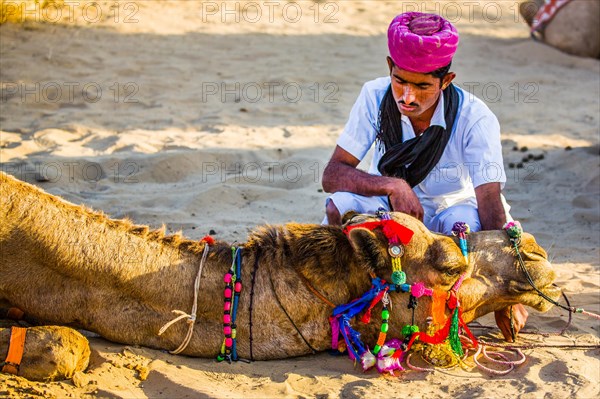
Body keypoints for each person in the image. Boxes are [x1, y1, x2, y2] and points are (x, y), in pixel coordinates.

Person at [321, 12, 527, 342]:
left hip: (451, 210)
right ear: (390, 66)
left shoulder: (476, 118)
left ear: (446, 81)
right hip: (391, 204)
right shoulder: (374, 96)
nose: (408, 97)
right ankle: (346, 297)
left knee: (464, 230)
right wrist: (391, 184)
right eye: (400, 80)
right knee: (337, 206)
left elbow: (489, 203)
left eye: (423, 86)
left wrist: (507, 294)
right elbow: (332, 174)